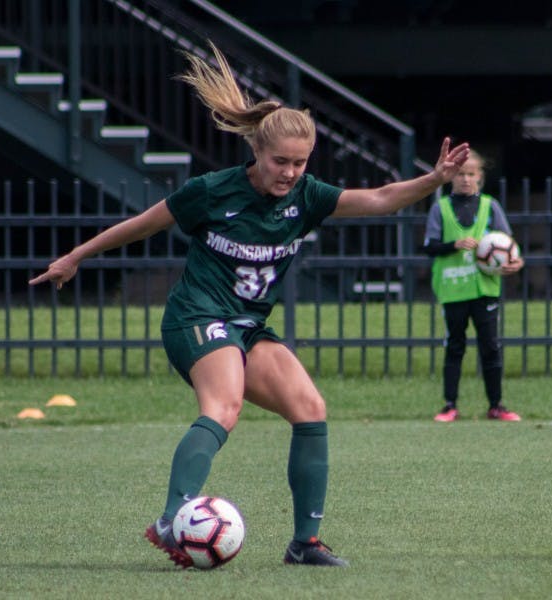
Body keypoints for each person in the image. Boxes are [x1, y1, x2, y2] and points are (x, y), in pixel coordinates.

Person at [29, 42, 470, 568]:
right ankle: (173, 517)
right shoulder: (212, 192)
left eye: (300, 163)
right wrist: (77, 256)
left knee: (310, 409)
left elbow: (379, 198)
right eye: (280, 161)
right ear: (256, 155)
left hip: (247, 326)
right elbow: (142, 224)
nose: (290, 172)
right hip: (197, 318)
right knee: (224, 406)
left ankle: (304, 544)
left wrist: (434, 179)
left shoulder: (306, 196)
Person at [422, 149, 524, 422]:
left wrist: (517, 262)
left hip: (485, 289)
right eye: (460, 174)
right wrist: (453, 245)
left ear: (480, 176)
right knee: (455, 346)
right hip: (453, 288)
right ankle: (449, 405)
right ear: (451, 177)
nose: (465, 179)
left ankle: (496, 406)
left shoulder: (490, 207)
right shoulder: (440, 208)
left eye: (471, 174)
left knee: (490, 346)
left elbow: (508, 245)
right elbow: (429, 247)